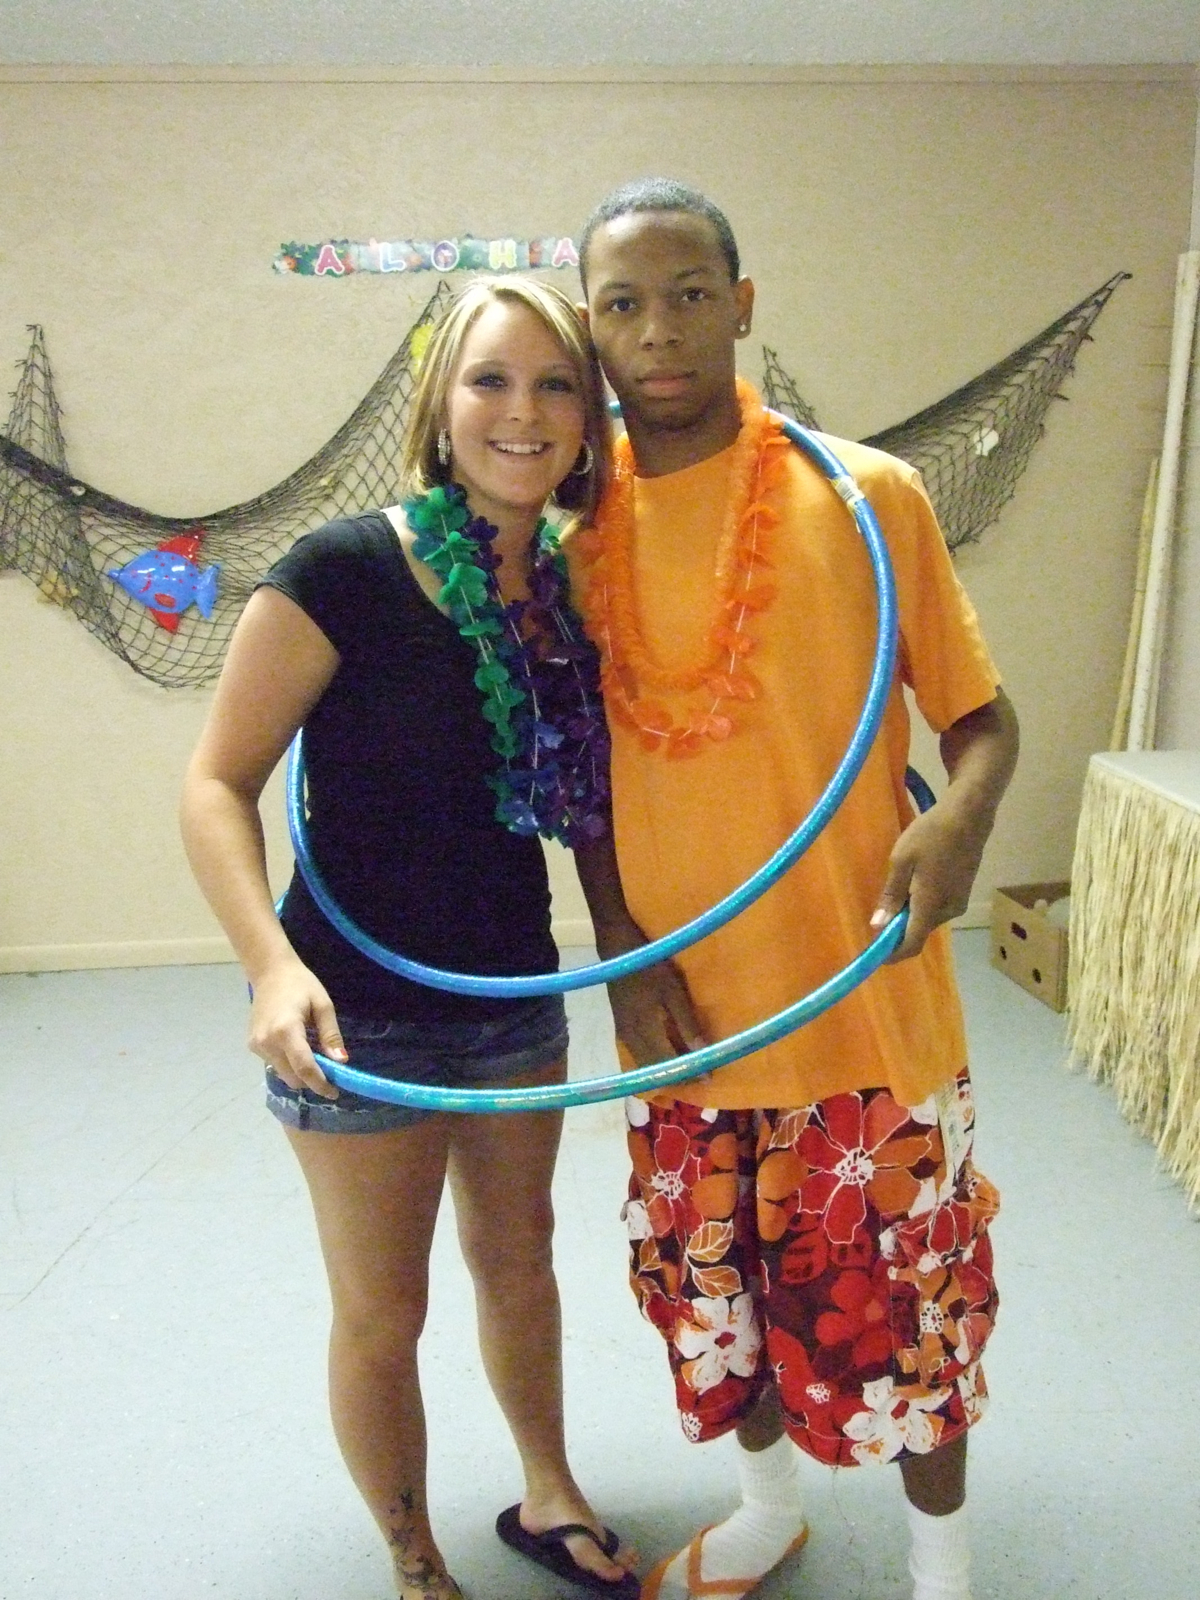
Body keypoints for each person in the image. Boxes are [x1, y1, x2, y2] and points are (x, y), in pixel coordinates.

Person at [568, 180, 1020, 1600]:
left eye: (691, 294)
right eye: (624, 304)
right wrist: (622, 949)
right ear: (592, 329)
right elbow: (579, 783)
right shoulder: (574, 533)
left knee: (913, 1318)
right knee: (720, 1309)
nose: (660, 330)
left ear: (743, 306)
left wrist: (960, 829)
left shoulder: (867, 495)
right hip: (684, 1019)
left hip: (863, 1000)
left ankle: (942, 1569)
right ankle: (766, 1510)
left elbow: (982, 721)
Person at [179, 277, 640, 1600]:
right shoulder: (343, 571)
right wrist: (271, 968)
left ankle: (548, 1491)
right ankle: (414, 1555)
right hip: (356, 1010)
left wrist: (628, 960)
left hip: (513, 995)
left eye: (556, 384)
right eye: (492, 379)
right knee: (386, 1309)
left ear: (588, 419)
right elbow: (216, 782)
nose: (522, 411)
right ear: (441, 408)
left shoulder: (571, 586)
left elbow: (590, 803)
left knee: (521, 1266)